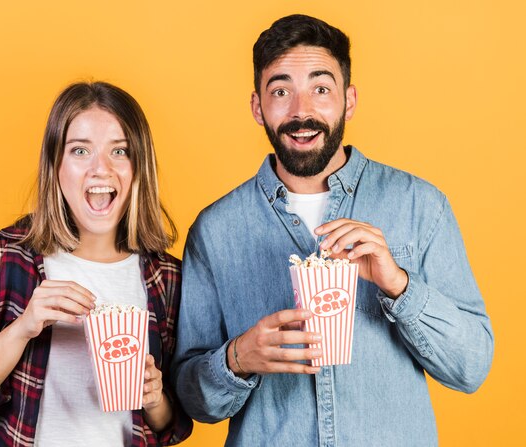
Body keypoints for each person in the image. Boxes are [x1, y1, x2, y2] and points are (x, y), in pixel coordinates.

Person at [171, 14, 493, 446]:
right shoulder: (215, 231)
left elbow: (471, 367)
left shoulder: (419, 205)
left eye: (320, 89)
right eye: (281, 91)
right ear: (256, 106)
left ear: (349, 100)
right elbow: (191, 401)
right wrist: (236, 359)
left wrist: (398, 285)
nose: (301, 111)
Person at [0, 81, 192, 446]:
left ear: (138, 168)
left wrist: (155, 398)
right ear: (55, 165)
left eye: (120, 151)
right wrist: (22, 328)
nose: (101, 169)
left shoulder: (168, 279)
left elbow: (174, 425)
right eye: (80, 150)